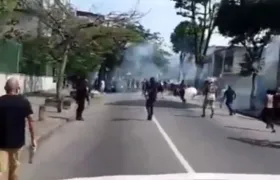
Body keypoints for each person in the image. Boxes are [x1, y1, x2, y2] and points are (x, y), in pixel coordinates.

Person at [0, 77, 36, 180]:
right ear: (18, 88)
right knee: (14, 170)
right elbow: (31, 121)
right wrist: (33, 139)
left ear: (5, 88)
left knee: (0, 170)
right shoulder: (23, 102)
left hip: (1, 143)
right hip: (17, 143)